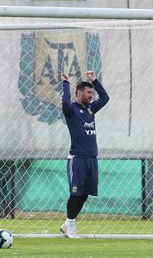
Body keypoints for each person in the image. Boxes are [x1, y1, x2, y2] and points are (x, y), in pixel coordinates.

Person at [60, 71, 109, 238]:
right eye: (88, 92)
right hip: (77, 159)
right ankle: (71, 227)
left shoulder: (90, 109)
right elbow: (65, 104)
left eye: (92, 93)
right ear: (79, 93)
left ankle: (68, 223)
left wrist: (95, 81)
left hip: (91, 158)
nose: (91, 95)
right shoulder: (72, 110)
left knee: (85, 194)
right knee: (76, 193)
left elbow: (105, 98)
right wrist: (66, 84)